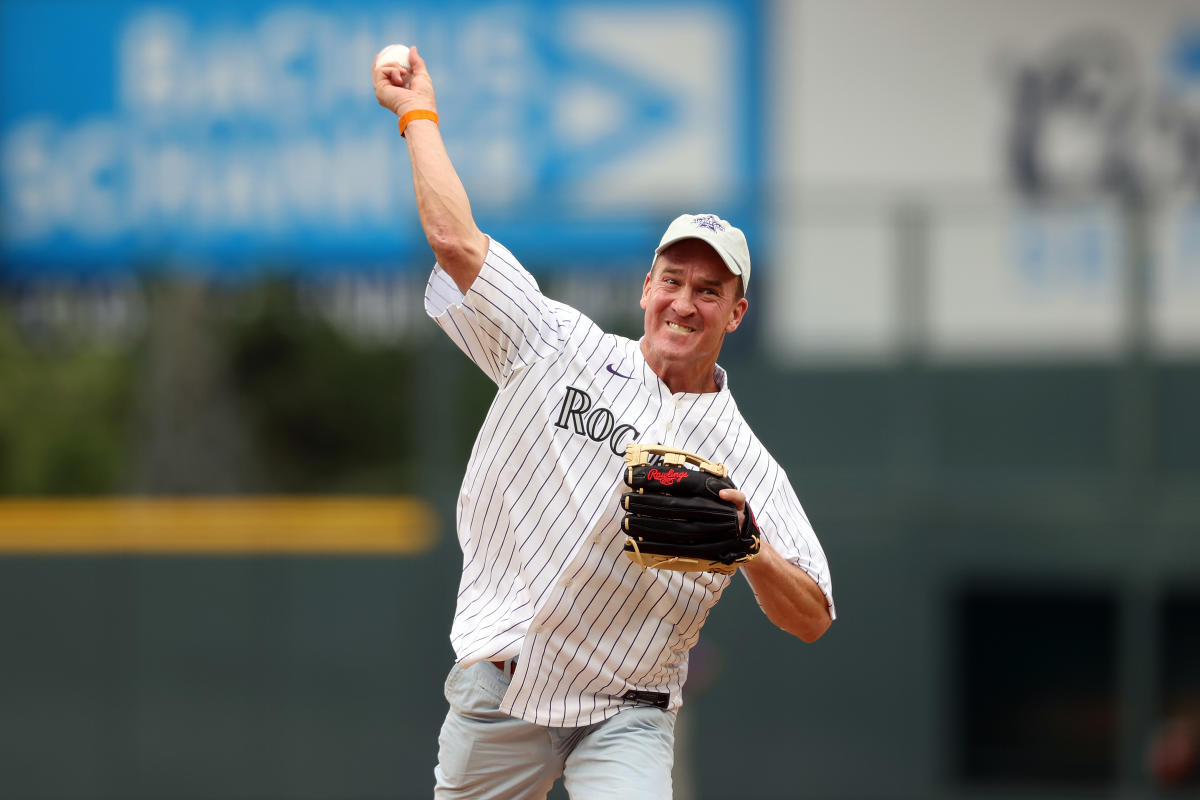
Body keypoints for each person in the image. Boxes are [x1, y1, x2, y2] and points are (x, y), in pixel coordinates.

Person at [374, 46, 835, 799]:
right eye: (674, 280)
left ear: (737, 312)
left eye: (710, 290)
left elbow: (812, 613)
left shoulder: (744, 463)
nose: (686, 303)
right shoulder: (556, 345)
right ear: (647, 285)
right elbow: (457, 243)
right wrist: (416, 114)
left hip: (627, 711)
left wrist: (752, 549)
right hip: (502, 687)